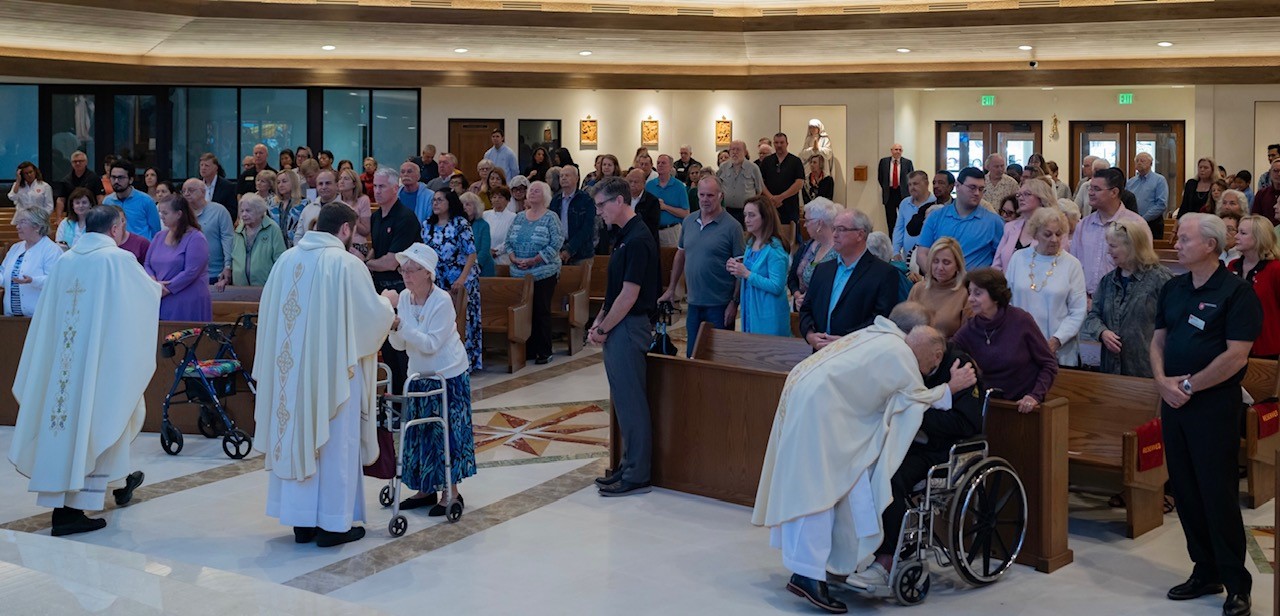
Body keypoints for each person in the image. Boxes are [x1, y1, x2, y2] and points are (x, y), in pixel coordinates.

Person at [752, 311, 976, 615]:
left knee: (826, 482)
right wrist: (949, 388)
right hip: (821, 412)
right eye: (927, 365)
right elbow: (910, 402)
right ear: (932, 353)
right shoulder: (901, 356)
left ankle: (823, 565)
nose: (924, 371)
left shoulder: (876, 335)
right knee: (820, 490)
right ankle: (808, 574)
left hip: (803, 393)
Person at [8, 205, 156, 537]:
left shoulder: (66, 260)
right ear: (116, 229)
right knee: (101, 421)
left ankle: (105, 490)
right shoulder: (117, 260)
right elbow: (147, 296)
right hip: (98, 363)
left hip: (62, 365)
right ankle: (71, 512)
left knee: (70, 427)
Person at [253, 203, 395, 548]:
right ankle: (333, 525)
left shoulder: (286, 261)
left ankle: (302, 523)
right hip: (332, 374)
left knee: (296, 435)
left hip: (289, 374)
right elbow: (369, 317)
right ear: (346, 229)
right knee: (333, 444)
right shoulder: (346, 264)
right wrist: (388, 303)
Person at [1151, 213, 1259, 616]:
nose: (1176, 245)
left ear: (1210, 245)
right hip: (1173, 402)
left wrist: (1189, 386)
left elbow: (1236, 356)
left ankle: (1236, 582)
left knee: (1217, 492)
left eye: (1184, 239)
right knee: (1185, 489)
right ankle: (1205, 570)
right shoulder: (1174, 287)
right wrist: (1162, 382)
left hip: (1212, 405)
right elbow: (1158, 341)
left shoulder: (1236, 292)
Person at [849, 303, 985, 589]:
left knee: (890, 477)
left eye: (915, 360)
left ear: (937, 356)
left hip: (939, 450)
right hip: (904, 439)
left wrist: (915, 414)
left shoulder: (960, 367)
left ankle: (886, 560)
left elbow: (966, 424)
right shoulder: (908, 359)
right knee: (861, 467)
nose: (910, 366)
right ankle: (854, 549)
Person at [384, 243, 476, 516]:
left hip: (447, 374)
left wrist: (401, 325)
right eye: (403, 270)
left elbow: (431, 344)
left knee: (447, 434)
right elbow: (400, 346)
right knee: (420, 433)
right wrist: (393, 327)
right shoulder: (404, 298)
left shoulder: (442, 301)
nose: (406, 275)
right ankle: (425, 489)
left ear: (428, 273)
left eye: (412, 270)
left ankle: (451, 492)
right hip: (418, 374)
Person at [588, 177, 661, 497]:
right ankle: (628, 463)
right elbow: (614, 290)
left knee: (632, 402)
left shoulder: (639, 238)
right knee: (622, 400)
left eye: (601, 205)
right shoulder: (623, 235)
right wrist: (599, 321)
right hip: (619, 324)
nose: (599, 212)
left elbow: (630, 295)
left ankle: (637, 473)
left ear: (619, 201)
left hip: (630, 327)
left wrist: (604, 329)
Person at [658, 175, 744, 356]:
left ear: (720, 196)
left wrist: (734, 303)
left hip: (720, 304)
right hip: (694, 302)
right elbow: (680, 255)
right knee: (693, 355)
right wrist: (671, 288)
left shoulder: (733, 227)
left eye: (710, 195)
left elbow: (740, 268)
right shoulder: (689, 221)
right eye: (702, 195)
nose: (705, 199)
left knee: (719, 357)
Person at [952, 267, 1057, 411]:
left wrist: (1035, 396)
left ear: (995, 296)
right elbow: (949, 352)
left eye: (978, 293)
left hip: (1023, 406)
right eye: (970, 292)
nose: (970, 299)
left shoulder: (1021, 320)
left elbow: (1049, 363)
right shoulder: (970, 329)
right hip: (990, 405)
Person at [1081, 218, 1173, 376]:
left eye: (1113, 246)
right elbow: (1093, 315)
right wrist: (1102, 332)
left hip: (1145, 368)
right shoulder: (1107, 281)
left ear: (1132, 246)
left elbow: (1173, 323)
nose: (1108, 251)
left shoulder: (1161, 278)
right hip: (1110, 369)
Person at [798, 209, 899, 351]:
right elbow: (806, 308)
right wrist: (810, 335)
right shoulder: (823, 269)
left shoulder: (884, 273)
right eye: (834, 229)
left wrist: (848, 341)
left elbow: (881, 319)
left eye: (841, 229)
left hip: (857, 354)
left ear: (860, 234)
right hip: (821, 352)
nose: (834, 234)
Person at [1005, 207, 1088, 366]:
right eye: (1047, 234)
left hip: (1059, 350)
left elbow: (1078, 311)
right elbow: (1007, 302)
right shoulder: (1018, 258)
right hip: (1021, 346)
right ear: (1035, 234)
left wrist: (1056, 341)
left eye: (1058, 234)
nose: (1054, 240)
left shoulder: (1072, 264)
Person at [423, 190, 482, 372]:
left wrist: (461, 279)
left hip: (461, 279)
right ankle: (442, 360)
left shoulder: (460, 224)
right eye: (434, 200)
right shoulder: (428, 225)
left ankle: (466, 362)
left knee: (463, 320)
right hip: (438, 279)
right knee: (440, 320)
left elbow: (471, 253)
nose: (435, 203)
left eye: (440, 200)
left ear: (450, 203)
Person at [1072, 167, 1151, 296]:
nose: (1090, 193)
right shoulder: (1083, 225)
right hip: (1085, 299)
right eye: (1090, 188)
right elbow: (1074, 265)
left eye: (1096, 189)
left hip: (1122, 299)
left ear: (1114, 192)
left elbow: (1144, 268)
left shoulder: (1136, 224)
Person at [507, 181, 563, 365]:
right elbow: (508, 242)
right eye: (530, 190)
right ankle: (528, 349)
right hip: (519, 273)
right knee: (524, 312)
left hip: (543, 272)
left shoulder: (551, 217)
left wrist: (534, 260)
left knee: (541, 310)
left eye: (536, 191)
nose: (531, 193)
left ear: (545, 196)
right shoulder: (519, 217)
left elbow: (556, 243)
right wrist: (514, 258)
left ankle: (544, 350)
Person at [914, 167, 1005, 270]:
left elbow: (1003, 259)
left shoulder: (993, 222)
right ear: (957, 186)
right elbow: (922, 254)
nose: (977, 193)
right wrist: (935, 277)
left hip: (975, 279)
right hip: (940, 278)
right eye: (972, 187)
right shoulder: (936, 217)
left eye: (981, 189)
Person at [728, 196, 791, 336]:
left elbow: (777, 286)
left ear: (765, 217)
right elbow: (750, 274)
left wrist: (746, 273)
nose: (746, 220)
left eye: (752, 215)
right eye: (745, 215)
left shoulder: (775, 249)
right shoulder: (751, 243)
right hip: (750, 308)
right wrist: (736, 268)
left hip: (768, 315)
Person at [146, 195, 212, 322]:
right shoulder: (159, 236)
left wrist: (167, 288)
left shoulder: (196, 237)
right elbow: (147, 263)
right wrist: (154, 283)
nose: (161, 216)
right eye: (160, 213)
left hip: (187, 300)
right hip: (160, 297)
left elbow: (191, 271)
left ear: (178, 214)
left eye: (165, 213)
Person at [1228, 214, 1280, 358]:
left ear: (1259, 238)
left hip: (1267, 345)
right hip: (1234, 343)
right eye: (1237, 231)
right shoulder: (1232, 266)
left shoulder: (1275, 269)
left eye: (1243, 233)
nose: (1236, 236)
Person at [2, 208, 62, 317]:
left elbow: (55, 281)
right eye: (18, 222)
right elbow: (3, 274)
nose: (17, 226)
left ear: (37, 226)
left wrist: (32, 280)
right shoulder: (15, 248)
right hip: (11, 317)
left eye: (22, 222)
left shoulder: (52, 250)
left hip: (37, 317)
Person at [908, 237, 971, 337]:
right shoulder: (918, 289)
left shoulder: (965, 294)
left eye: (946, 262)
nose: (940, 267)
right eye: (935, 261)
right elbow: (906, 325)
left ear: (957, 265)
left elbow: (968, 336)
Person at [788, 197, 841, 310]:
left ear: (820, 223)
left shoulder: (838, 252)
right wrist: (800, 298)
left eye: (807, 221)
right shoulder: (817, 247)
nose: (804, 225)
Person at [180, 178, 234, 285]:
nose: (186, 193)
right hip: (186, 274)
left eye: (191, 190)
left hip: (215, 274)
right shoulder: (180, 214)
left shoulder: (219, 211)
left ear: (203, 192)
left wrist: (228, 266)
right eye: (183, 190)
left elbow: (228, 239)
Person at [224, 194, 286, 288]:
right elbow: (234, 257)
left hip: (265, 288)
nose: (244, 215)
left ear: (259, 211)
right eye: (242, 211)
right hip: (240, 289)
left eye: (248, 210)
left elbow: (280, 260)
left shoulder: (273, 229)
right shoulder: (239, 230)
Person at [103, 159, 161, 241]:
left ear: (131, 179)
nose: (116, 181)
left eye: (120, 177)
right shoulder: (107, 202)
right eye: (113, 177)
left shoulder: (146, 200)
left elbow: (156, 232)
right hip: (115, 247)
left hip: (141, 247)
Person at [760, 133, 807, 231]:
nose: (779, 145)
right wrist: (771, 198)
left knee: (790, 235)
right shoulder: (767, 161)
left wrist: (781, 197)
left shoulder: (795, 161)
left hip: (790, 207)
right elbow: (760, 182)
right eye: (776, 143)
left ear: (787, 143)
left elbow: (799, 183)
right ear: (773, 144)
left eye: (782, 142)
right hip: (770, 206)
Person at [717, 140, 766, 226]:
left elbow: (759, 190)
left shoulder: (753, 168)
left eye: (738, 149)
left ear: (745, 152)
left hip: (746, 212)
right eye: (732, 149)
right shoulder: (723, 167)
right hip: (727, 211)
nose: (734, 152)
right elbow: (718, 186)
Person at [647, 154, 691, 247]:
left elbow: (685, 213)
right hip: (652, 231)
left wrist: (665, 207)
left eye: (663, 163)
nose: (660, 165)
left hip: (671, 231)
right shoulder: (649, 185)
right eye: (658, 163)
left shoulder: (679, 186)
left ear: (671, 167)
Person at [891, 170, 935, 261]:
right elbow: (899, 228)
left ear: (926, 184)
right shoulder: (904, 203)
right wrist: (896, 251)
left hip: (929, 257)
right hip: (906, 257)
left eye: (915, 184)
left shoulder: (935, 204)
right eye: (910, 185)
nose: (912, 188)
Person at [1129, 152, 1169, 240]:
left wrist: (1143, 219)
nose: (1139, 163)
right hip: (1133, 224)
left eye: (1142, 161)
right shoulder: (1131, 182)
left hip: (1152, 223)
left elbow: (1161, 204)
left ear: (1151, 163)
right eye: (1137, 161)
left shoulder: (1159, 180)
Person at [55, 151, 105, 217]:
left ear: (86, 162)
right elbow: (61, 200)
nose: (78, 163)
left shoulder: (94, 178)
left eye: (80, 161)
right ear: (71, 163)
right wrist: (58, 218)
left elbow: (100, 198)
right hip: (71, 216)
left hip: (91, 215)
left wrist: (100, 215)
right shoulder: (66, 180)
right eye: (75, 161)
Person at [877, 144, 914, 230]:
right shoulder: (884, 162)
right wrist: (885, 188)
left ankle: (904, 236)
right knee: (891, 220)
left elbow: (911, 178)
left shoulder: (908, 163)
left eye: (900, 150)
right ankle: (892, 237)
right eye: (896, 149)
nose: (898, 151)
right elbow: (880, 177)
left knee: (905, 218)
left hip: (903, 193)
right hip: (889, 194)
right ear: (891, 151)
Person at [337, 168, 372, 258]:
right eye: (340, 178)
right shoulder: (336, 200)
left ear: (354, 184)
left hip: (357, 244)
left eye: (346, 179)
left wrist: (351, 217)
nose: (341, 181)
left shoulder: (363, 200)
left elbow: (366, 231)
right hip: (338, 244)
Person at [626, 168, 662, 247]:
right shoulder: (622, 199)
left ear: (644, 183)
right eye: (630, 181)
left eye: (636, 182)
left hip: (645, 242)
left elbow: (652, 227)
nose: (632, 184)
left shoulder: (652, 201)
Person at [461, 192, 494, 277]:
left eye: (468, 204)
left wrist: (472, 267)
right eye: (462, 204)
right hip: (460, 268)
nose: (464, 207)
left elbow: (484, 250)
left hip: (481, 268)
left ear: (476, 207)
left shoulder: (483, 225)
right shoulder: (457, 224)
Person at [484, 186, 516, 266]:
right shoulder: (485, 215)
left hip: (503, 259)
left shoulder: (513, 217)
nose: (496, 200)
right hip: (485, 256)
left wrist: (497, 251)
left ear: (507, 200)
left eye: (500, 197)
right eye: (494, 197)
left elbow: (511, 239)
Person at [275, 169, 305, 246]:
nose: (281, 185)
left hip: (297, 245)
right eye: (278, 182)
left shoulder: (304, 204)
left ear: (293, 182)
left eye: (284, 181)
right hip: (276, 246)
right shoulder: (272, 205)